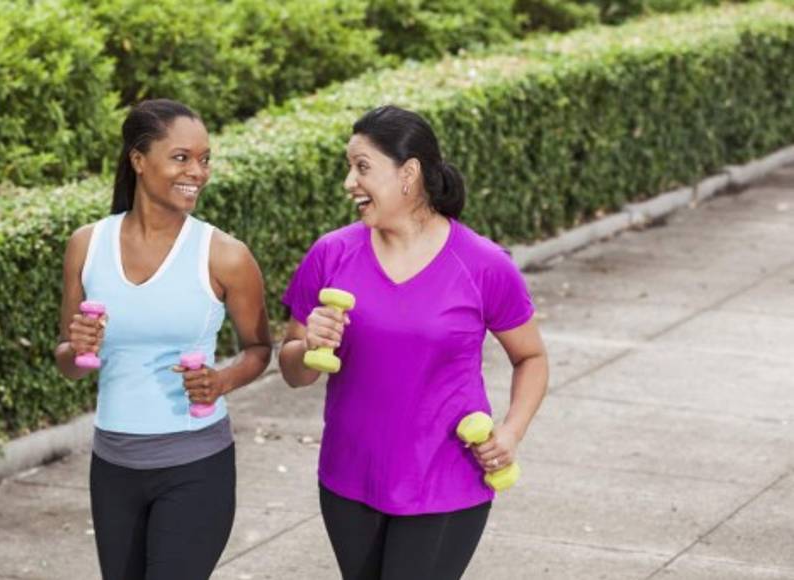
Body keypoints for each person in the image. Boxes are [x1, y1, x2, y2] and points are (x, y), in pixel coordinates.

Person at [278, 105, 549, 579]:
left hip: (445, 481)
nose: (349, 182)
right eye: (349, 167)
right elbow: (293, 372)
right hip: (348, 480)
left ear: (408, 174)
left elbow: (531, 357)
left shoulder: (483, 264)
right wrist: (307, 346)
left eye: (362, 167)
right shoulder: (331, 254)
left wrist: (511, 432)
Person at [54, 99, 272, 580]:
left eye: (205, 158)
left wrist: (221, 381)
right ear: (138, 160)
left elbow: (260, 348)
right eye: (181, 157)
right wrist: (78, 348)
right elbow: (67, 361)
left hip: (196, 468)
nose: (198, 171)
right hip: (112, 467)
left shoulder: (225, 255)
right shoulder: (87, 245)